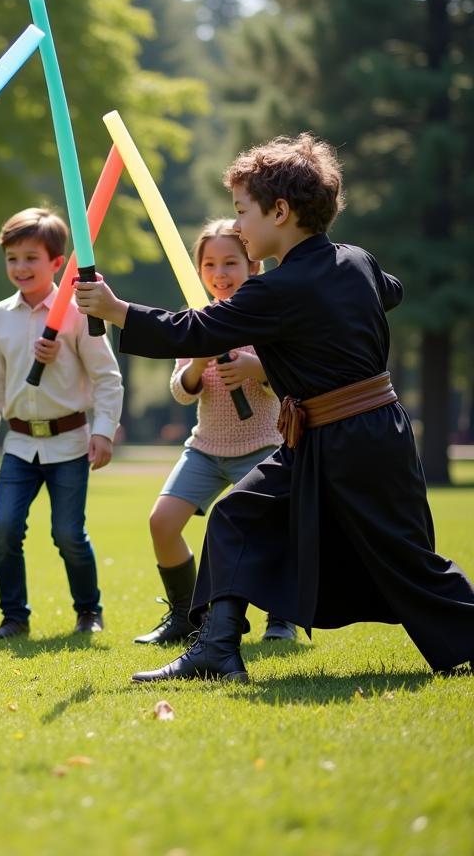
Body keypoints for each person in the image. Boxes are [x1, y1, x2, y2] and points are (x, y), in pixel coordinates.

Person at [75, 133, 474, 681]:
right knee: (237, 515)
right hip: (338, 435)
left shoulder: (277, 291)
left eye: (243, 211)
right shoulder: (354, 261)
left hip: (354, 443)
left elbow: (198, 329)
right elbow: (392, 289)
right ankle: (218, 649)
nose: (237, 225)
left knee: (407, 560)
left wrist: (117, 310)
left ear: (281, 212)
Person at [134, 218, 295, 647]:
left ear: (253, 268)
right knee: (162, 523)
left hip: (260, 446)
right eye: (209, 264)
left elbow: (289, 380)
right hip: (205, 449)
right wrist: (199, 364)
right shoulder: (196, 321)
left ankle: (282, 618)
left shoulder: (265, 319)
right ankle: (186, 614)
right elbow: (181, 392)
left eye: (230, 263)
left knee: (274, 533)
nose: (219, 274)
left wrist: (255, 368)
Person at [0, 207, 123, 639]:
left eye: (31, 258)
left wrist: (102, 431)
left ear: (57, 263)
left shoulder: (79, 312)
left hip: (70, 442)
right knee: (3, 530)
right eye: (12, 258)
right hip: (18, 444)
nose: (20, 267)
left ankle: (88, 612)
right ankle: (14, 617)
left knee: (68, 534)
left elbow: (106, 378)